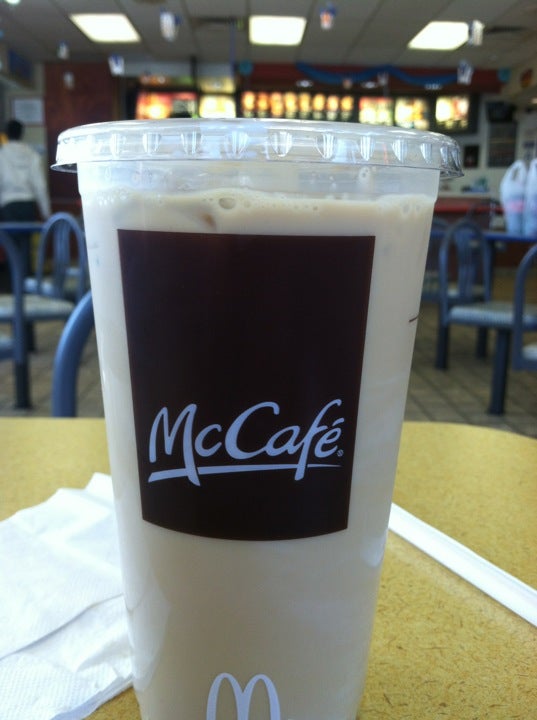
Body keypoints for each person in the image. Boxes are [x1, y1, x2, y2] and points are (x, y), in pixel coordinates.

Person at [0, 118, 51, 275]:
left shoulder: (1, 154)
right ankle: (26, 281)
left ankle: (14, 282)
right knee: (26, 246)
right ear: (22, 134)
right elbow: (40, 186)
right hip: (28, 205)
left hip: (8, 205)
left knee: (10, 246)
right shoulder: (32, 155)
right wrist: (46, 213)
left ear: (6, 134)